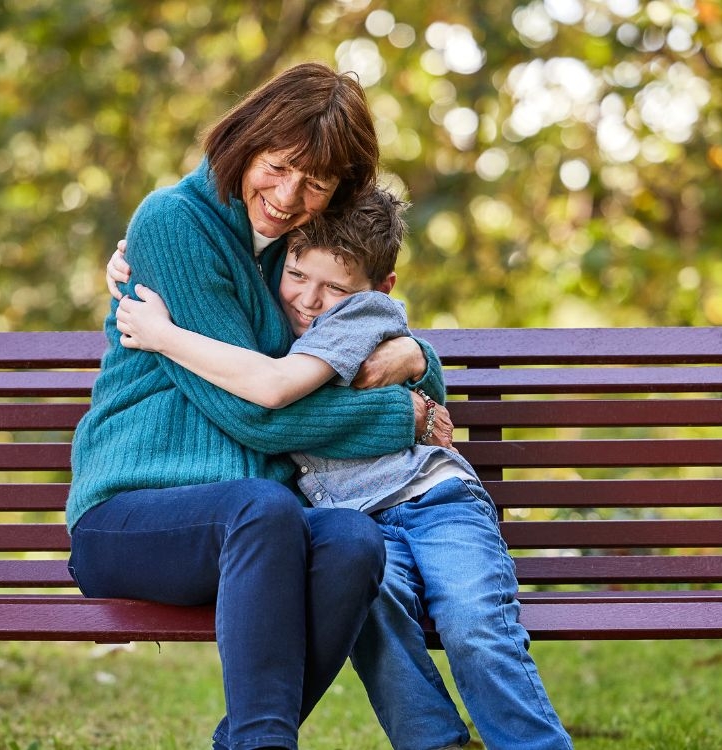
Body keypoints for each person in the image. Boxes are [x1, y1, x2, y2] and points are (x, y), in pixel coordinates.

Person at [68, 62, 451, 750]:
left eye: (315, 183)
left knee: (353, 541)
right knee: (266, 506)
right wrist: (402, 417)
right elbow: (250, 412)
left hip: (256, 525)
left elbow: (372, 332)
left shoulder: (301, 254)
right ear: (245, 143)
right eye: (276, 168)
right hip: (130, 517)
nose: (285, 195)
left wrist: (422, 358)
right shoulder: (172, 224)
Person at [115, 186, 574, 750]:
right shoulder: (275, 317)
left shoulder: (358, 316)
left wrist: (164, 335)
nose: (311, 299)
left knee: (474, 624)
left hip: (433, 500)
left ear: (377, 289)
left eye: (335, 286)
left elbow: (275, 394)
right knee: (377, 618)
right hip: (355, 521)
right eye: (299, 276)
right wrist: (133, 264)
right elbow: (215, 289)